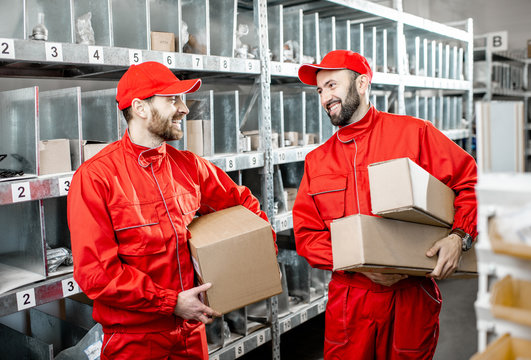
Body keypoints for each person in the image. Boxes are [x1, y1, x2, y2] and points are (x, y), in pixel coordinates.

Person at [67, 61, 273, 360]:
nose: (184, 109)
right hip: (136, 340)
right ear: (140, 108)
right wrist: (170, 302)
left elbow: (244, 206)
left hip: (192, 331)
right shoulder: (96, 177)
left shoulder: (188, 165)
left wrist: (253, 256)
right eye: (172, 99)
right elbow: (97, 274)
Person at [292, 50, 477, 359]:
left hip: (411, 297)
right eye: (320, 90)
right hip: (351, 301)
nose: (325, 97)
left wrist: (461, 237)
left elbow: (470, 183)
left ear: (361, 84)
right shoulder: (317, 161)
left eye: (333, 85)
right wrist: (361, 262)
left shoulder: (414, 134)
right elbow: (308, 236)